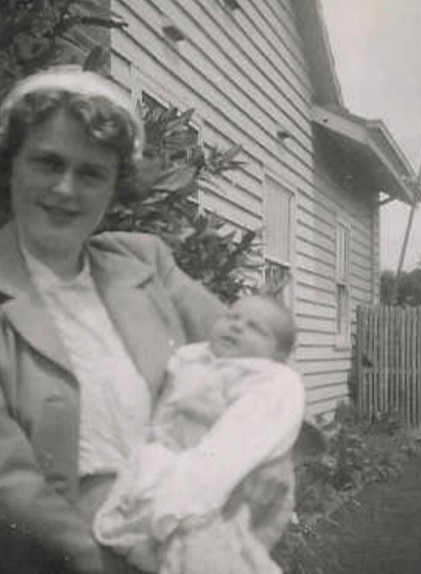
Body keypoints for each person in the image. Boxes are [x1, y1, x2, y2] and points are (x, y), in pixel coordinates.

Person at [0, 66, 225, 574]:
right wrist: (95, 556)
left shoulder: (143, 262)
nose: (64, 189)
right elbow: (9, 476)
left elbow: (246, 354)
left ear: (114, 188)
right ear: (11, 164)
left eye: (91, 173)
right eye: (47, 162)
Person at [93, 295, 325, 574]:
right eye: (232, 317)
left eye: (256, 328)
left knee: (210, 552)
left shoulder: (265, 379)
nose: (237, 326)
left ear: (278, 356)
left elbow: (237, 442)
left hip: (220, 490)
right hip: (163, 467)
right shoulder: (193, 359)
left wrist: (181, 497)